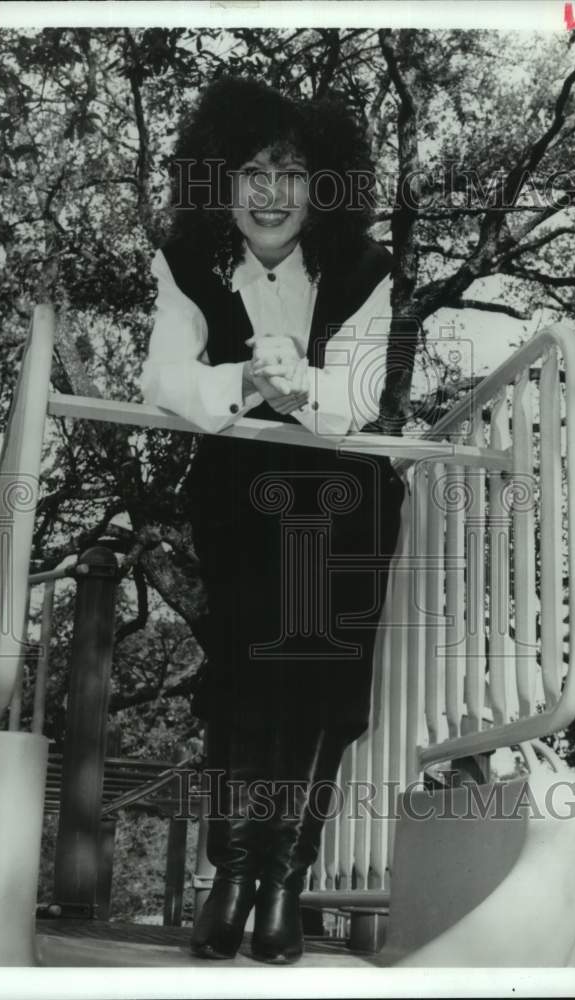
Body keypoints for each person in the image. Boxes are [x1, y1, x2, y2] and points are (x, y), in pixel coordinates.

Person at [139, 77, 406, 964]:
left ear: (323, 183)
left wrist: (304, 387)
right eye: (249, 169)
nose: (269, 191)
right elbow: (166, 382)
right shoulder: (187, 265)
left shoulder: (364, 272)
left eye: (291, 171)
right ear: (219, 180)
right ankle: (234, 874)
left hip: (343, 505)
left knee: (323, 689)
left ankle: (283, 877)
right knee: (247, 679)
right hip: (243, 499)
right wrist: (250, 382)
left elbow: (360, 397)